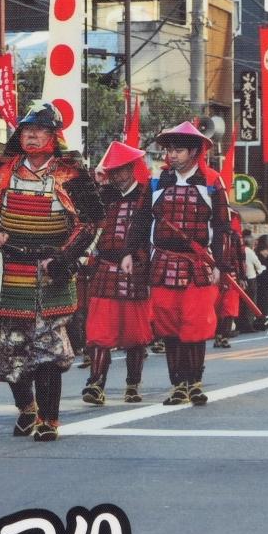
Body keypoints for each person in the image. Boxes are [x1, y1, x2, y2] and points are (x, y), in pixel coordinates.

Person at [0, 102, 103, 442]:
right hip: (10, 268)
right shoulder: (2, 168)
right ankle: (27, 408)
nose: (31, 136)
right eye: (26, 130)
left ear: (53, 136)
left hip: (50, 270)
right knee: (11, 346)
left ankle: (49, 419)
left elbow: (89, 222)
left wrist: (63, 257)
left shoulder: (70, 173)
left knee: (47, 349)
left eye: (39, 130)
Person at [149, 120, 232, 407]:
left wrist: (221, 264)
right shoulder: (157, 181)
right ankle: (178, 386)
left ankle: (195, 383)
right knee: (168, 327)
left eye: (179, 150)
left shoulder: (212, 182)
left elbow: (222, 227)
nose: (172, 155)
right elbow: (142, 221)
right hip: (163, 262)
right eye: (169, 150)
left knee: (195, 325)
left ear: (194, 152)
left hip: (198, 263)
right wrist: (130, 254)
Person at [82, 141, 153, 405]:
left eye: (120, 169)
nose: (115, 175)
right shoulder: (103, 196)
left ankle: (133, 384)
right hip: (104, 268)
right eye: (111, 170)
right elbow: (83, 210)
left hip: (136, 269)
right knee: (99, 332)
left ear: (132, 168)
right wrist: (97, 180)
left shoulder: (147, 196)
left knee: (135, 333)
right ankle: (95, 384)